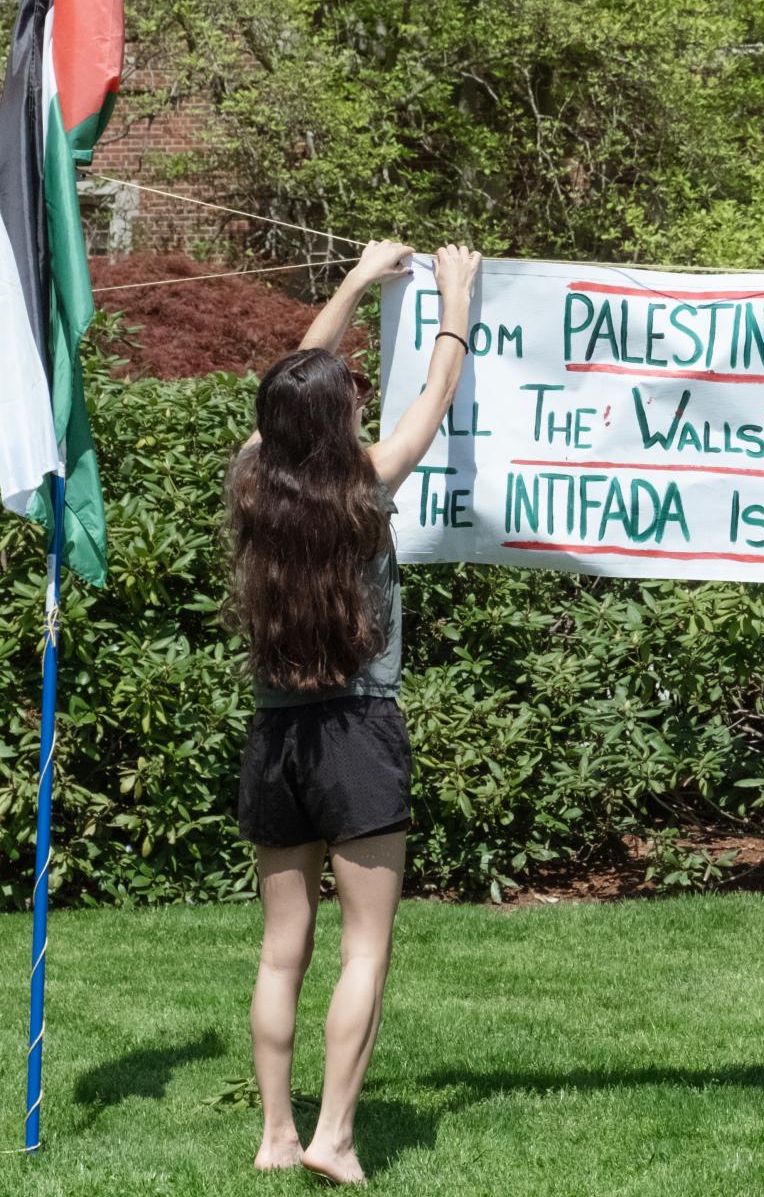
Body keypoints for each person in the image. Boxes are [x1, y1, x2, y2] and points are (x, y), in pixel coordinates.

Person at [224, 238, 482, 1184]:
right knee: (364, 944)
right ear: (339, 418)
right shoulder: (368, 485)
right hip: (358, 734)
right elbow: (439, 391)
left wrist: (354, 281)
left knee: (281, 947)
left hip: (275, 738)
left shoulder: (253, 486)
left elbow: (283, 384)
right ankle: (332, 1135)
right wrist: (456, 295)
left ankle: (273, 1135)